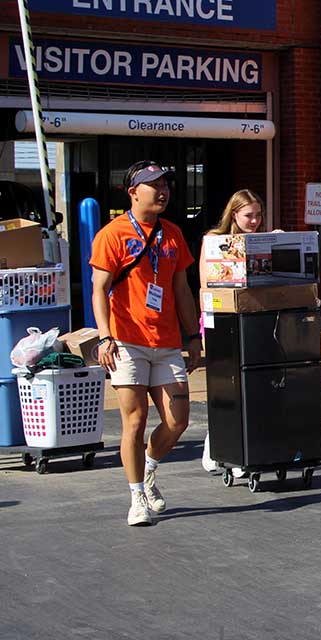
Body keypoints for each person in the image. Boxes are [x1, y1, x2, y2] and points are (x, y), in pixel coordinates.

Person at [91, 160, 202, 526]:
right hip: (127, 341)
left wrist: (194, 336)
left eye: (165, 184)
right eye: (154, 184)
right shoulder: (113, 234)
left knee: (178, 420)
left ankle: (149, 468)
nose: (163, 190)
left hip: (167, 341)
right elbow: (99, 290)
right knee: (135, 420)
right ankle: (137, 495)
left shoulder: (172, 233)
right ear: (133, 191)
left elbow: (182, 289)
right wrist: (105, 336)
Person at [199, 189, 267, 473]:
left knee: (250, 387)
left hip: (251, 318)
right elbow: (206, 283)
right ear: (234, 214)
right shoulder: (214, 240)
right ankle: (218, 447)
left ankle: (235, 448)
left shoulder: (261, 240)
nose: (254, 221)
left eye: (258, 215)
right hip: (221, 318)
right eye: (248, 216)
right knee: (227, 386)